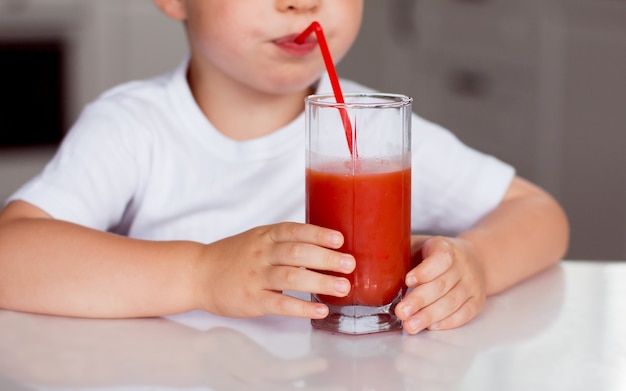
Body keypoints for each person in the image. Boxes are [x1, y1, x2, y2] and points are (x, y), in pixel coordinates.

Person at [0, 0, 569, 335]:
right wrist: (202, 274)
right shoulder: (134, 128)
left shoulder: (376, 131)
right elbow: (11, 256)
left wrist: (475, 263)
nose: (302, 1)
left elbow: (538, 214)